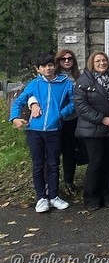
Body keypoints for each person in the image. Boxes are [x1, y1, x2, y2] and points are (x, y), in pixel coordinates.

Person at [10, 54, 74, 213]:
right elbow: (19, 101)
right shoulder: (34, 84)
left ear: (54, 66)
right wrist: (15, 118)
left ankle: (53, 195)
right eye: (43, 66)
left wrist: (60, 114)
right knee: (38, 165)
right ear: (38, 69)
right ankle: (41, 197)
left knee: (53, 164)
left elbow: (74, 102)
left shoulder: (65, 83)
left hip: (54, 130)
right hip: (34, 130)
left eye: (50, 65)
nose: (48, 68)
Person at [29, 50, 82, 196]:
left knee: (69, 152)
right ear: (57, 61)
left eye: (70, 58)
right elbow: (33, 93)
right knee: (50, 156)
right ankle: (48, 185)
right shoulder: (49, 75)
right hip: (50, 123)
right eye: (63, 59)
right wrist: (33, 103)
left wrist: (62, 113)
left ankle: (68, 182)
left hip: (71, 119)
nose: (66, 61)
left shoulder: (78, 77)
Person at [74, 51, 109, 211]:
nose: (102, 63)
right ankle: (91, 198)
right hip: (92, 129)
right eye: (98, 61)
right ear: (91, 63)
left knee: (108, 162)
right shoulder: (83, 81)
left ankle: (106, 196)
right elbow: (81, 106)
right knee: (96, 163)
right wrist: (102, 118)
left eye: (104, 60)